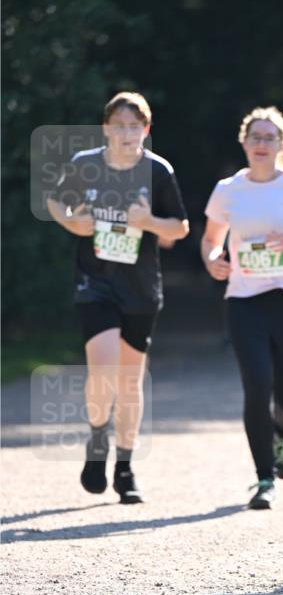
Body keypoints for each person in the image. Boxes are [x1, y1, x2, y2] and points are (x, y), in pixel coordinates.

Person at [47, 91, 189, 503]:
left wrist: (149, 221)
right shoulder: (85, 165)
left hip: (141, 289)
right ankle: (97, 440)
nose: (128, 134)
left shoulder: (157, 171)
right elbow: (57, 201)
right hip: (94, 283)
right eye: (119, 126)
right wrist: (73, 223)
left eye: (136, 126)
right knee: (103, 366)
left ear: (146, 130)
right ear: (106, 128)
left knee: (129, 381)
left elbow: (179, 227)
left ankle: (125, 467)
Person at [201, 106, 283, 510]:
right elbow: (211, 239)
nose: (262, 144)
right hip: (244, 302)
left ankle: (282, 432)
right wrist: (213, 258)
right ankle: (264, 478)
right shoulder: (228, 189)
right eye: (256, 137)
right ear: (244, 141)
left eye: (271, 138)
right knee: (257, 388)